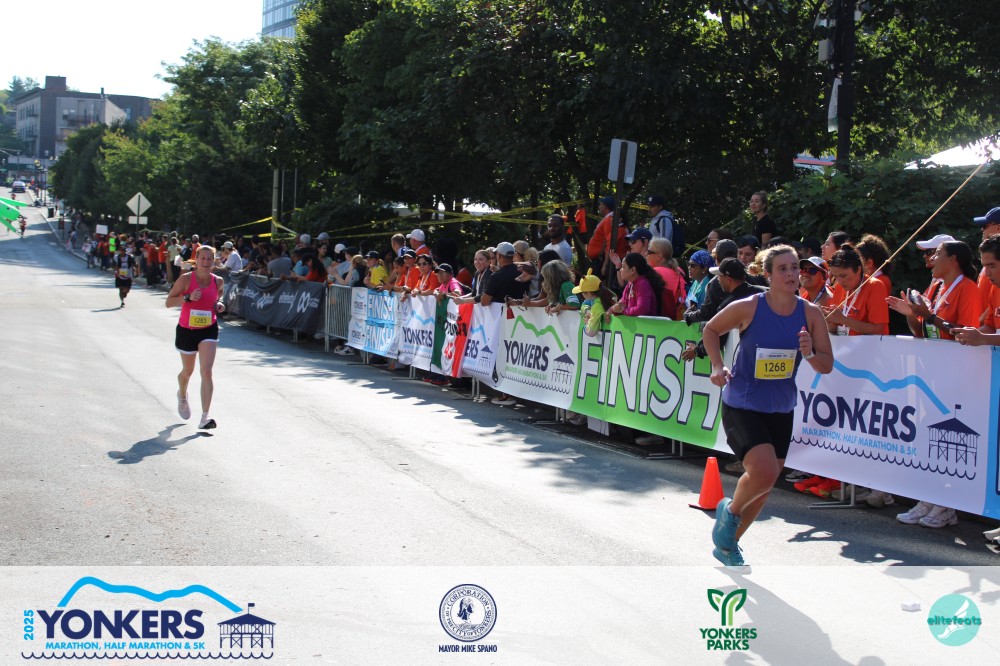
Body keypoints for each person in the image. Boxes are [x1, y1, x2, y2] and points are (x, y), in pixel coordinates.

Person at [704, 245, 834, 568]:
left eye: (795, 268)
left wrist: (809, 352)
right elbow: (711, 329)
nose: (791, 274)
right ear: (768, 275)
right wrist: (717, 365)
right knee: (764, 473)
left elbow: (826, 365)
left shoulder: (811, 314)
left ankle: (729, 544)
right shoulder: (750, 306)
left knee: (764, 484)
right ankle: (729, 512)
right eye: (783, 269)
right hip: (743, 404)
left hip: (781, 407)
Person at [166, 245, 226, 430]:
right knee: (187, 371)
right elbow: (169, 302)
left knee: (206, 371)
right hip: (187, 330)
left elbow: (218, 298)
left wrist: (219, 305)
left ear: (214, 261)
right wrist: (187, 297)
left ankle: (205, 417)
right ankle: (182, 394)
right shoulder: (186, 279)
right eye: (203, 258)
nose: (206, 262)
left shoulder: (218, 281)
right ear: (197, 259)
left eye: (209, 259)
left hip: (208, 329)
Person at [824, 244, 890, 336]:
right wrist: (829, 320)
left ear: (858, 270)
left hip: (871, 344)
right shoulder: (839, 287)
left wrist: (843, 320)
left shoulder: (875, 286)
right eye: (835, 277)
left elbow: (878, 329)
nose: (839, 281)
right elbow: (836, 328)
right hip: (845, 343)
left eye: (843, 276)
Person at [954, 235, 1000, 347]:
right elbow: (990, 327)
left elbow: (987, 336)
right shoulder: (995, 288)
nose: (986, 273)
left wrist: (983, 338)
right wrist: (970, 335)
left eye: (991, 266)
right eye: (984, 266)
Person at [606, 253, 664, 317]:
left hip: (646, 323)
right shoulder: (630, 283)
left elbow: (642, 310)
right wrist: (612, 309)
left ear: (633, 270)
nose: (621, 269)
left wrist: (623, 310)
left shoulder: (643, 285)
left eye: (623, 267)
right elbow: (621, 303)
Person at [586, 197, 629, 279]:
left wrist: (602, 258)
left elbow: (608, 243)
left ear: (606, 206)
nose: (599, 207)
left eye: (601, 205)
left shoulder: (610, 221)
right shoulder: (609, 219)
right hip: (604, 260)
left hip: (605, 261)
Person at [646, 237, 687, 320]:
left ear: (659, 256)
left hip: (658, 321)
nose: (646, 254)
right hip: (673, 321)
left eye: (649, 252)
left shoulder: (655, 272)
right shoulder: (678, 272)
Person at [973, 208, 1000, 319]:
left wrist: (978, 323)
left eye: (985, 226)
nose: (982, 230)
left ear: (998, 227)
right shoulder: (989, 257)